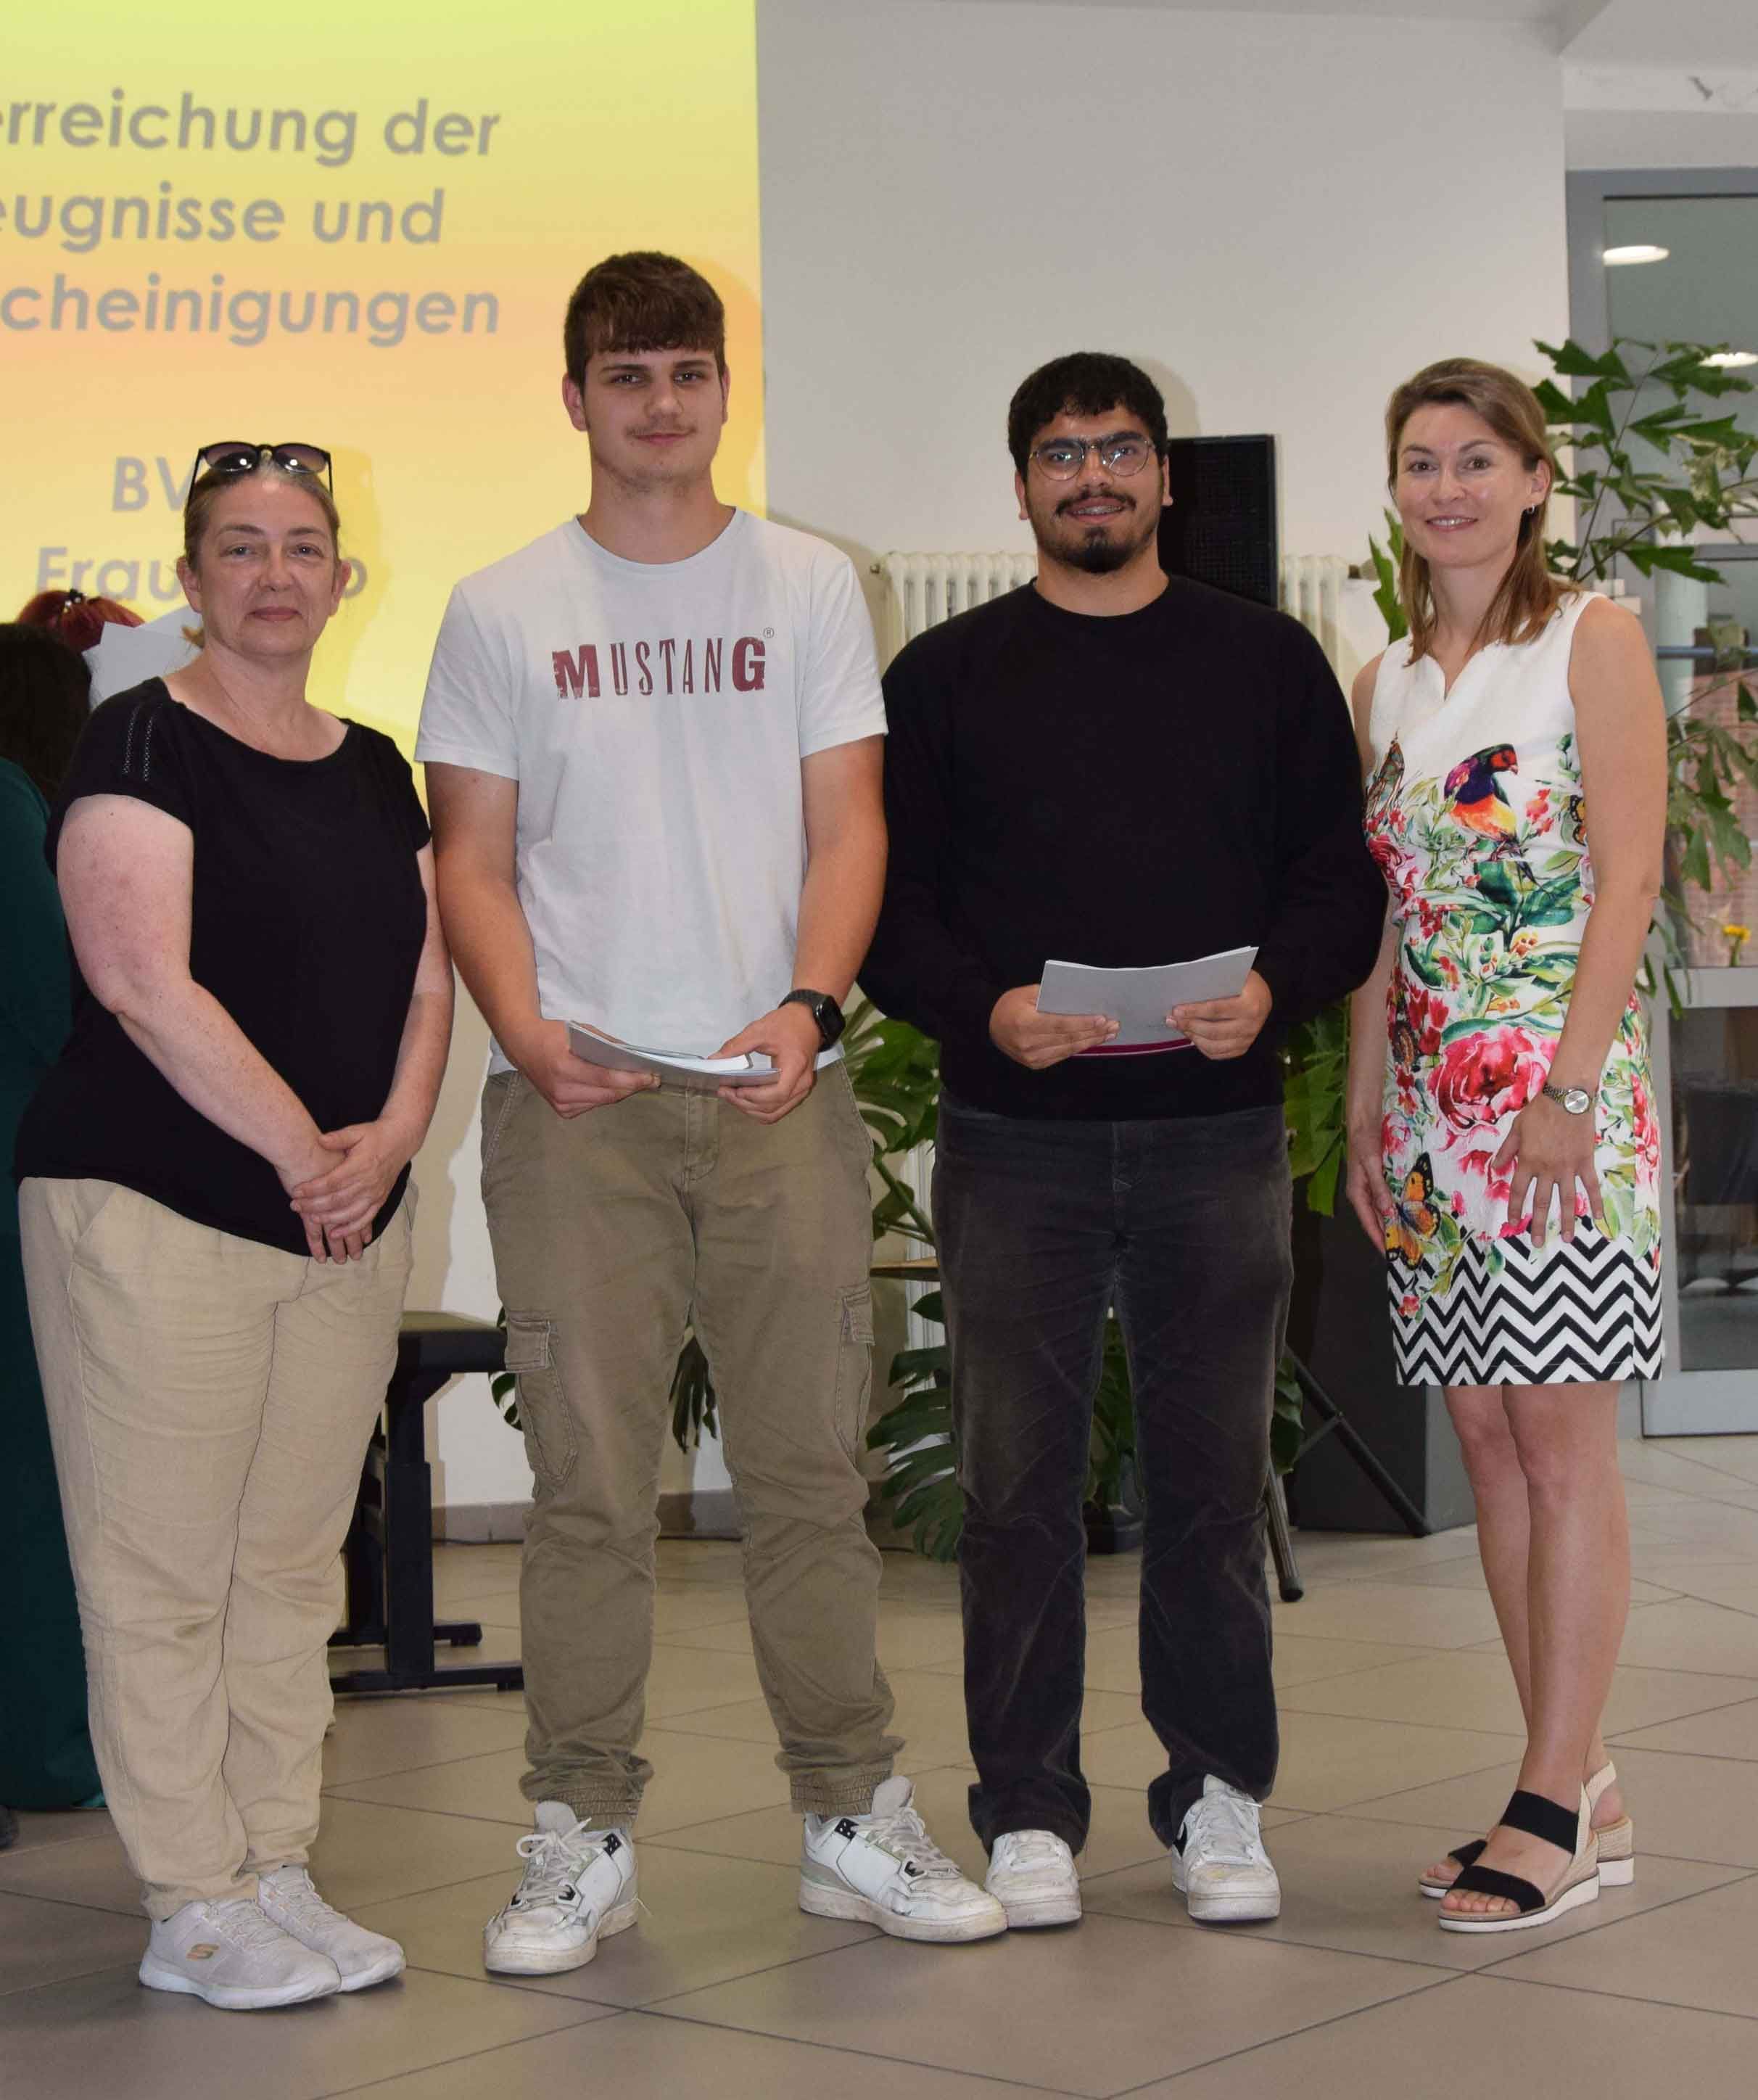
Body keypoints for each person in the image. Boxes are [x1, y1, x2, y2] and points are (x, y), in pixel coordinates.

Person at [417, 250, 1004, 1975]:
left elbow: (850, 824)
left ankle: (849, 1811)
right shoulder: (500, 605)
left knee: (809, 1472)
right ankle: (577, 1830)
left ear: (724, 389)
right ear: (575, 397)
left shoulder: (810, 583)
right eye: (627, 374)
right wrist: (529, 1035)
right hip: (576, 1105)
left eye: (687, 371)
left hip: (774, 1097)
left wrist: (810, 1007)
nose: (660, 402)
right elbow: (469, 854)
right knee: (591, 1486)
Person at [859, 353, 1387, 1930]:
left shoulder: (1267, 662)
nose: (1092, 474)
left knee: (1213, 1487)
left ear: (1166, 476)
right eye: (1061, 451)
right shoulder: (944, 679)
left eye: (1119, 448)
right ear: (1022, 482)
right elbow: (890, 911)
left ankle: (1217, 1799)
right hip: (1013, 1135)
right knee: (1014, 1492)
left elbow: (1338, 885)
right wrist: (987, 1008)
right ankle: (1027, 1809)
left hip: (1213, 1136)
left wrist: (1273, 987)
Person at [15, 442, 453, 2006]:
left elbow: (429, 976)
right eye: (243, 547)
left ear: (344, 577)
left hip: (337, 1220)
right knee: (163, 1573)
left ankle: (274, 1862)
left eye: (304, 546)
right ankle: (191, 1899)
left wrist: (390, 1141)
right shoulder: (139, 737)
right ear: (192, 580)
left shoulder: (374, 764)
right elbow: (141, 978)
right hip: (156, 1209)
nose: (277, 574)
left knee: (286, 1568)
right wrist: (305, 1156)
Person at [1344, 358, 1666, 1932]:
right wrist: (1362, 1105)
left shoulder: (1590, 640)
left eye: (1479, 459)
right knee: (1487, 1445)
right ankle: (1573, 1780)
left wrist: (1570, 1089)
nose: (1448, 487)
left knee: (1560, 1444)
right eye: (1422, 462)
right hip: (1428, 1116)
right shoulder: (1386, 679)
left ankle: (1552, 1801)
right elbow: (1384, 916)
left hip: (1554, 1106)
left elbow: (1629, 879)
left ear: (1536, 481)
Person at [0, 625, 104, 1838]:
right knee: (32, 1467)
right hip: (16, 1171)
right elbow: (54, 999)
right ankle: (43, 1749)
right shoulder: (9, 804)